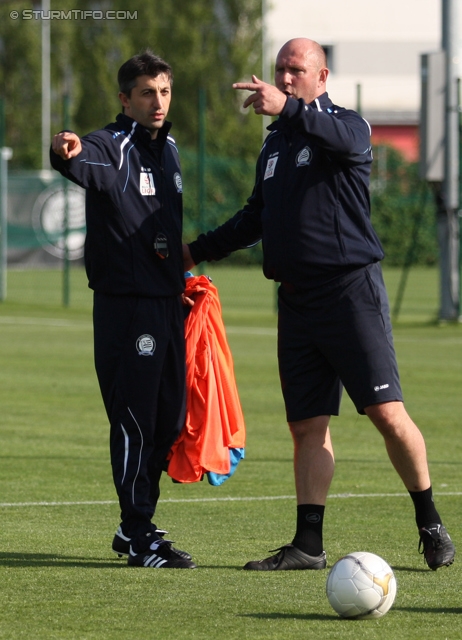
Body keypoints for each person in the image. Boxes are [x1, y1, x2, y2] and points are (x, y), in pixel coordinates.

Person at [183, 38, 455, 571]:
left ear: (321, 76)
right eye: (280, 70)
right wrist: (193, 252)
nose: (285, 78)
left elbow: (339, 137)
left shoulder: (347, 125)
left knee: (386, 413)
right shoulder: (275, 146)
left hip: (350, 293)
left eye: (296, 70)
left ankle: (430, 522)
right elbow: (252, 220)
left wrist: (290, 110)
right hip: (297, 301)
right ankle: (308, 544)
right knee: (307, 426)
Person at [51, 50, 196, 569]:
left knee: (169, 421)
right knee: (135, 420)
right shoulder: (111, 147)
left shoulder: (171, 149)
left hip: (166, 305)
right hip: (126, 310)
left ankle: (134, 525)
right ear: (125, 99)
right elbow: (75, 155)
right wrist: (63, 147)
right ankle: (139, 533)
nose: (158, 102)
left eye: (164, 91)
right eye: (146, 93)